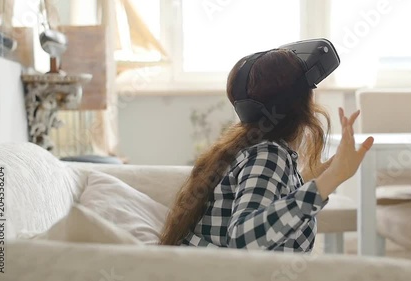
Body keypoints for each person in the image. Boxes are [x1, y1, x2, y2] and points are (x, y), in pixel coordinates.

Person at [159, 49, 374, 252]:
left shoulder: (250, 148)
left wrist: (318, 176)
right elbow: (244, 240)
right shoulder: (268, 155)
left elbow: (268, 201)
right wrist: (331, 180)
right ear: (302, 103)